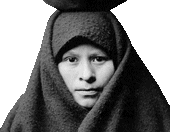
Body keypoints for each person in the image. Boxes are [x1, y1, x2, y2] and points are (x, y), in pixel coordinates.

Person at [1, 11, 170, 131]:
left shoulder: (155, 118)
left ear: (121, 64)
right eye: (72, 60)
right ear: (51, 67)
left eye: (99, 59)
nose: (87, 75)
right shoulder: (22, 122)